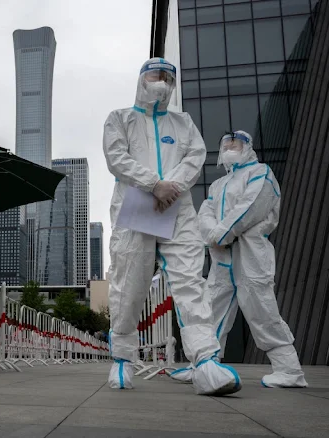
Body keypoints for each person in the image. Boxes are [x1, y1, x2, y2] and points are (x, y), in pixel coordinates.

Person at [103, 58, 241, 395]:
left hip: (177, 211)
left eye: (168, 77)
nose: (162, 82)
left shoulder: (183, 122)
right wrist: (153, 184)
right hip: (135, 208)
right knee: (128, 285)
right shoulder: (120, 119)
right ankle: (122, 359)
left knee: (190, 282)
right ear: (141, 79)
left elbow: (195, 156)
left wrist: (171, 187)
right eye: (156, 75)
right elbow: (116, 158)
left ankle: (205, 360)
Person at [170, 131, 307, 388]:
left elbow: (251, 207)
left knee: (262, 311)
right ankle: (203, 364)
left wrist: (221, 233)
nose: (231, 147)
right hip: (222, 259)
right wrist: (214, 235)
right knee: (210, 311)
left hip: (250, 255)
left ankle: (289, 370)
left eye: (237, 143)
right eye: (227, 144)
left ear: (248, 147)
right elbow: (205, 213)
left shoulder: (261, 173)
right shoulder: (218, 185)